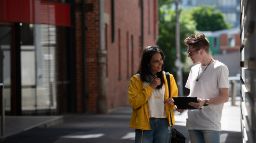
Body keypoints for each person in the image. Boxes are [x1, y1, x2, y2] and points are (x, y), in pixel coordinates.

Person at [183, 33, 229, 143]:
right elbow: (191, 95)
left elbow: (224, 97)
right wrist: (181, 105)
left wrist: (204, 102)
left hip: (210, 124)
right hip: (193, 124)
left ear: (201, 51)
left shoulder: (220, 68)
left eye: (190, 52)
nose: (188, 55)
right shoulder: (193, 69)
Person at [128, 45, 178, 143]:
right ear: (148, 63)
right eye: (156, 61)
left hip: (164, 123)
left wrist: (172, 103)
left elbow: (175, 102)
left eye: (161, 60)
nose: (160, 63)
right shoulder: (136, 80)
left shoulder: (169, 78)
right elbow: (134, 103)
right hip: (144, 124)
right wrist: (151, 87)